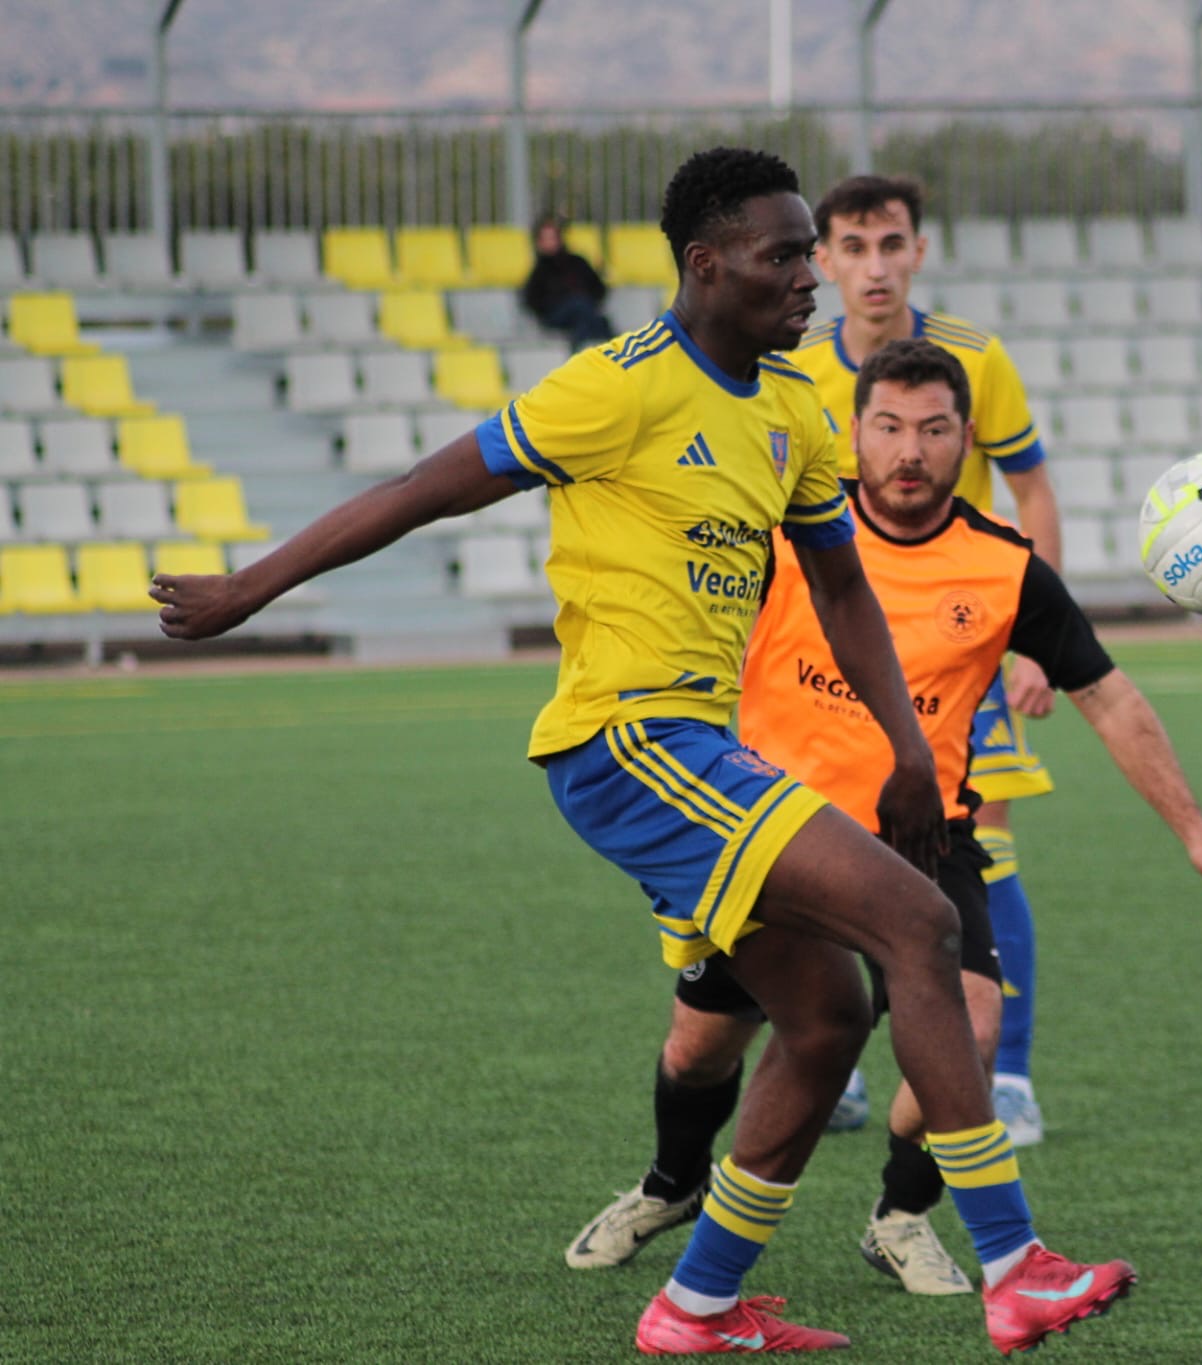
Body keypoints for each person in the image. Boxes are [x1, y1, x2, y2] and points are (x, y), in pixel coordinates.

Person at [151, 147, 1132, 1358]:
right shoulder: (613, 388)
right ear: (704, 264)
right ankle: (1016, 1266)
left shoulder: (791, 410)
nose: (809, 279)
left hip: (700, 749)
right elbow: (421, 489)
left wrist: (908, 752)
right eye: (783, 255)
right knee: (920, 924)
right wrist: (247, 588)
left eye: (809, 255)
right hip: (624, 741)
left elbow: (841, 591)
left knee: (825, 1020)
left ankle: (695, 1307)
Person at [565, 339, 1202, 1302]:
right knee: (701, 1045)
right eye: (888, 426)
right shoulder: (787, 538)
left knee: (974, 1021)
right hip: (773, 833)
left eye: (933, 430)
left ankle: (901, 1214)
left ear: (966, 440)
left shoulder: (1005, 566)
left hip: (923, 840)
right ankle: (672, 1183)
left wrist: (1196, 832)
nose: (909, 450)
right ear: (854, 432)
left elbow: (1107, 695)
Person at [788, 175, 1063, 1144]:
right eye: (855, 246)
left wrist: (1030, 639)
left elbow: (1032, 491)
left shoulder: (974, 359)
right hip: (836, 660)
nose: (876, 265)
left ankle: (1009, 1073)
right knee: (822, 854)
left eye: (892, 243)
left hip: (957, 649)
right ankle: (835, 1060)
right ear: (824, 259)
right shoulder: (796, 371)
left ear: (919, 250)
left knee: (982, 851)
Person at [521, 213, 615, 348]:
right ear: (539, 242)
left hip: (583, 311)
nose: (550, 242)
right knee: (589, 313)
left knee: (585, 319)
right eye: (545, 239)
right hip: (556, 314)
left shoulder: (578, 261)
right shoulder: (539, 271)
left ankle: (582, 350)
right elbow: (533, 300)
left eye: (552, 237)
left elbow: (598, 287)